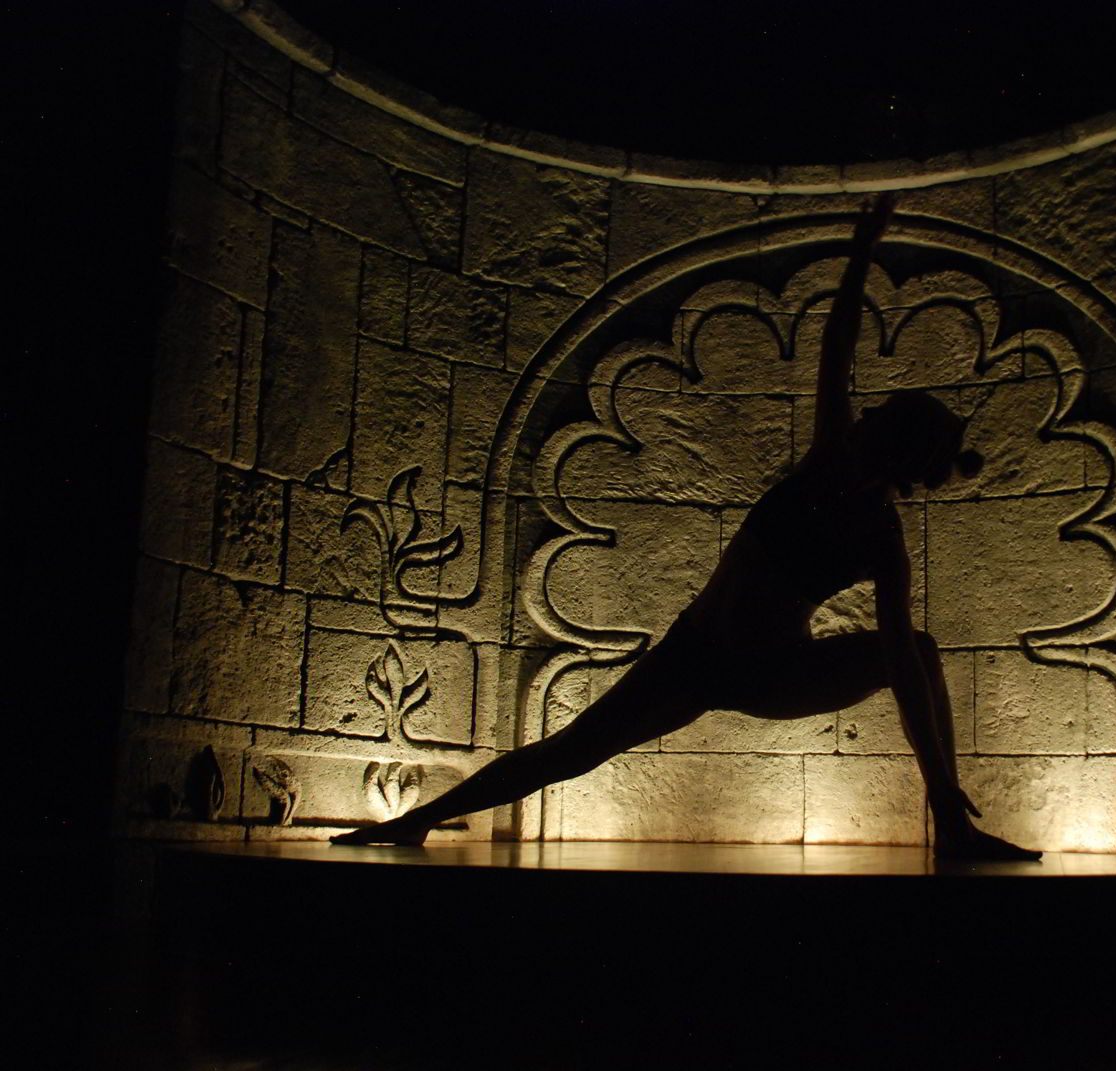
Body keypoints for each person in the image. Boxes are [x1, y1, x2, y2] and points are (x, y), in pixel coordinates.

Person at [334, 196, 1040, 860]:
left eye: (884, 413)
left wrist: (942, 792)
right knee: (575, 748)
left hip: (773, 675)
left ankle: (951, 824)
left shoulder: (880, 540)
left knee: (916, 649)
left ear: (894, 445)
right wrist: (861, 251)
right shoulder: (829, 453)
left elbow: (907, 673)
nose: (869, 408)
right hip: (694, 655)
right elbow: (838, 342)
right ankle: (414, 822)